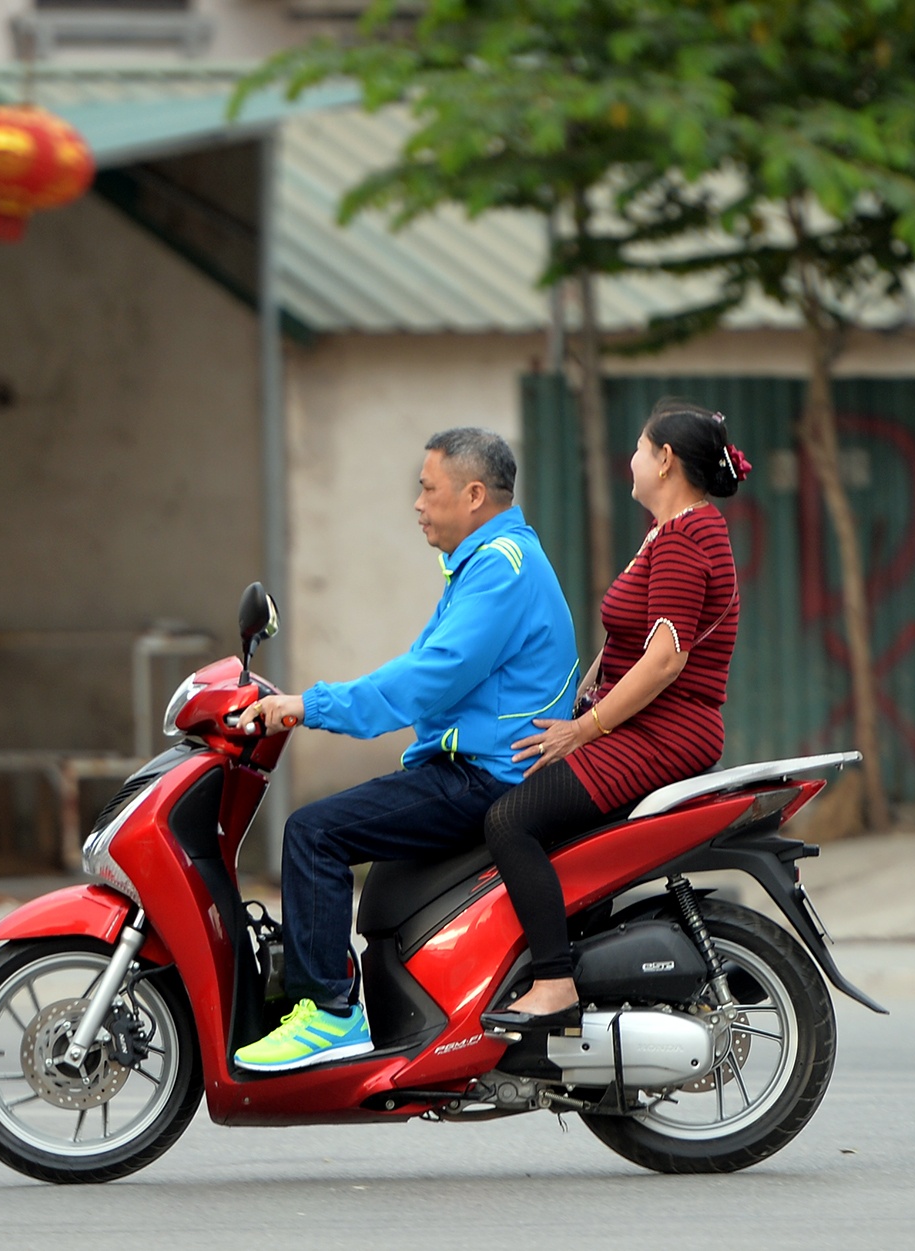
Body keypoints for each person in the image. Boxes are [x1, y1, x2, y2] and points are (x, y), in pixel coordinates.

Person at [229, 428, 580, 1071]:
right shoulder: (487, 564)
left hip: (485, 775)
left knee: (313, 833)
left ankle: (330, 1015)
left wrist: (312, 706)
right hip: (469, 766)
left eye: (427, 489)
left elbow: (429, 678)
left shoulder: (501, 568)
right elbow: (427, 670)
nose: (417, 504)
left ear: (473, 495)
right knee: (378, 893)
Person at [479, 398, 750, 1034]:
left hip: (664, 732)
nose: (627, 460)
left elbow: (664, 661)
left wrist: (584, 730)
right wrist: (579, 699)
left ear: (664, 460)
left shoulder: (687, 540)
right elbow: (630, 638)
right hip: (644, 724)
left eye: (636, 448)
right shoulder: (673, 532)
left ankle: (553, 983)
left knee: (510, 822)